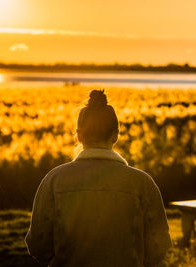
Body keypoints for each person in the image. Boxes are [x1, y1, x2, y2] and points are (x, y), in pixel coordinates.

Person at [25, 90, 172, 266]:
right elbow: (159, 247)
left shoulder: (54, 180)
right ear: (116, 135)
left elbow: (38, 246)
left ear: (79, 135)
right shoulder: (143, 183)